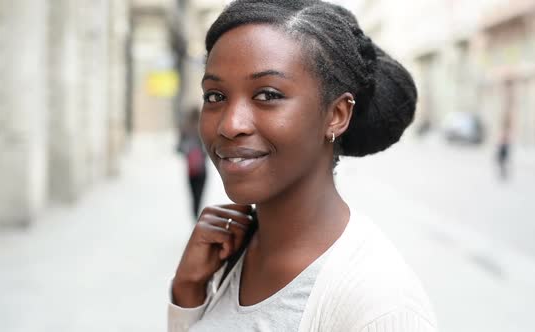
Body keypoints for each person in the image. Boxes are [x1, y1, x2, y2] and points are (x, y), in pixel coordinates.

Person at [168, 1, 437, 331]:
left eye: (267, 95)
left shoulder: (381, 304)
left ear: (336, 115)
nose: (230, 124)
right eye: (215, 96)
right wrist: (189, 295)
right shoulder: (229, 256)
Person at [178, 108, 207, 219]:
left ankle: (195, 216)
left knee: (193, 195)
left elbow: (179, 148)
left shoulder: (186, 130)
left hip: (191, 170)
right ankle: (197, 215)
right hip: (201, 169)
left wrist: (188, 150)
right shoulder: (202, 129)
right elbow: (206, 151)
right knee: (199, 195)